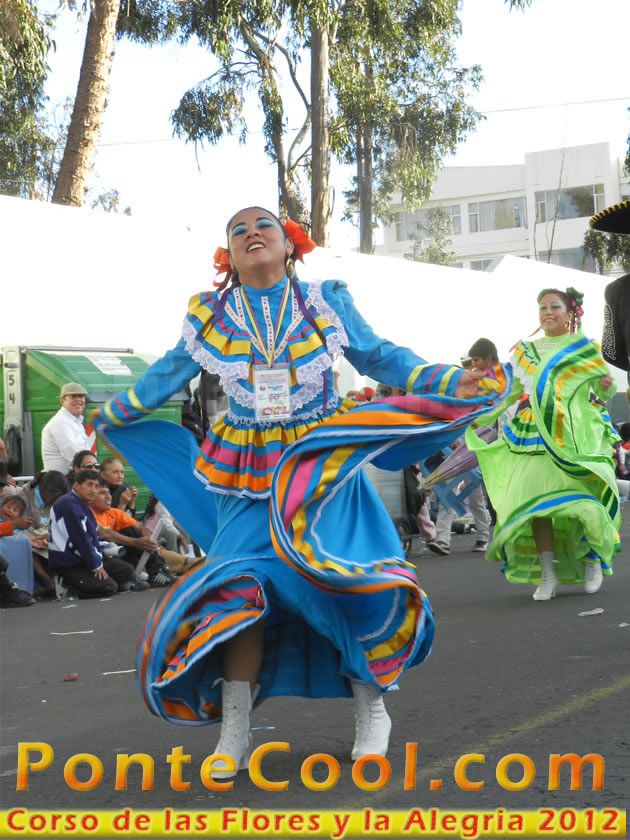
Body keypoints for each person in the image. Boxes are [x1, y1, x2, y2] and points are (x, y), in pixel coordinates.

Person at [94, 205, 509, 777]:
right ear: (229, 255)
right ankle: (235, 730)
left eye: (262, 225)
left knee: (342, 582)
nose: (251, 234)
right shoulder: (210, 314)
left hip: (321, 470)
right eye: (238, 230)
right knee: (238, 591)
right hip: (246, 476)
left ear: (289, 244)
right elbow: (166, 373)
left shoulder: (323, 302)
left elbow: (379, 355)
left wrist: (449, 379)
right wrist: (115, 412)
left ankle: (371, 708)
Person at [466, 287, 619, 601]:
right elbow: (509, 393)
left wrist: (606, 384)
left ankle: (592, 558)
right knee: (536, 505)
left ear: (570, 313)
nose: (548, 312)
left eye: (555, 306)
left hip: (575, 433)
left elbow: (604, 391)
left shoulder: (585, 348)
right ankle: (548, 573)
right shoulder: (525, 351)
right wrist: (480, 416)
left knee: (585, 500)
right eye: (543, 307)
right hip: (534, 435)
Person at [48, 470, 136, 598]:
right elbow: (80, 540)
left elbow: (95, 533)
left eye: (96, 486)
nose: (93, 490)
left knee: (126, 570)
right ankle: (69, 585)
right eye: (89, 484)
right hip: (69, 563)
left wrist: (99, 558)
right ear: (76, 485)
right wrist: (96, 565)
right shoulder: (69, 504)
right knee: (109, 587)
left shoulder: (81, 503)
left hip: (83, 558)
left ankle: (107, 581)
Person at [90, 482, 171, 588]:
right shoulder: (88, 513)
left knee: (132, 531)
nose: (108, 496)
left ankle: (157, 572)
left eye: (108, 492)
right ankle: (129, 579)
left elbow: (141, 527)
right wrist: (136, 542)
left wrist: (148, 540)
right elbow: (106, 534)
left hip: (122, 553)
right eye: (102, 493)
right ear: (90, 498)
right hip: (101, 556)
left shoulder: (113, 512)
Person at [41, 383, 92, 474]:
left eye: (81, 396)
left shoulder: (75, 422)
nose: (78, 400)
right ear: (63, 401)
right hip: (59, 480)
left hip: (70, 477)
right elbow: (75, 457)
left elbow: (85, 454)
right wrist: (93, 471)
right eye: (73, 396)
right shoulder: (59, 422)